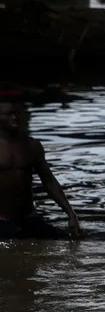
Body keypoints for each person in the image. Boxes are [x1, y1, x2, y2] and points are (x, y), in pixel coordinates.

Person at [0, 90, 82, 239]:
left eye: (18, 113)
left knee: (72, 240)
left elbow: (49, 181)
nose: (15, 117)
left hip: (29, 218)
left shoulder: (33, 146)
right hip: (1, 220)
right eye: (9, 114)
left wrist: (71, 213)